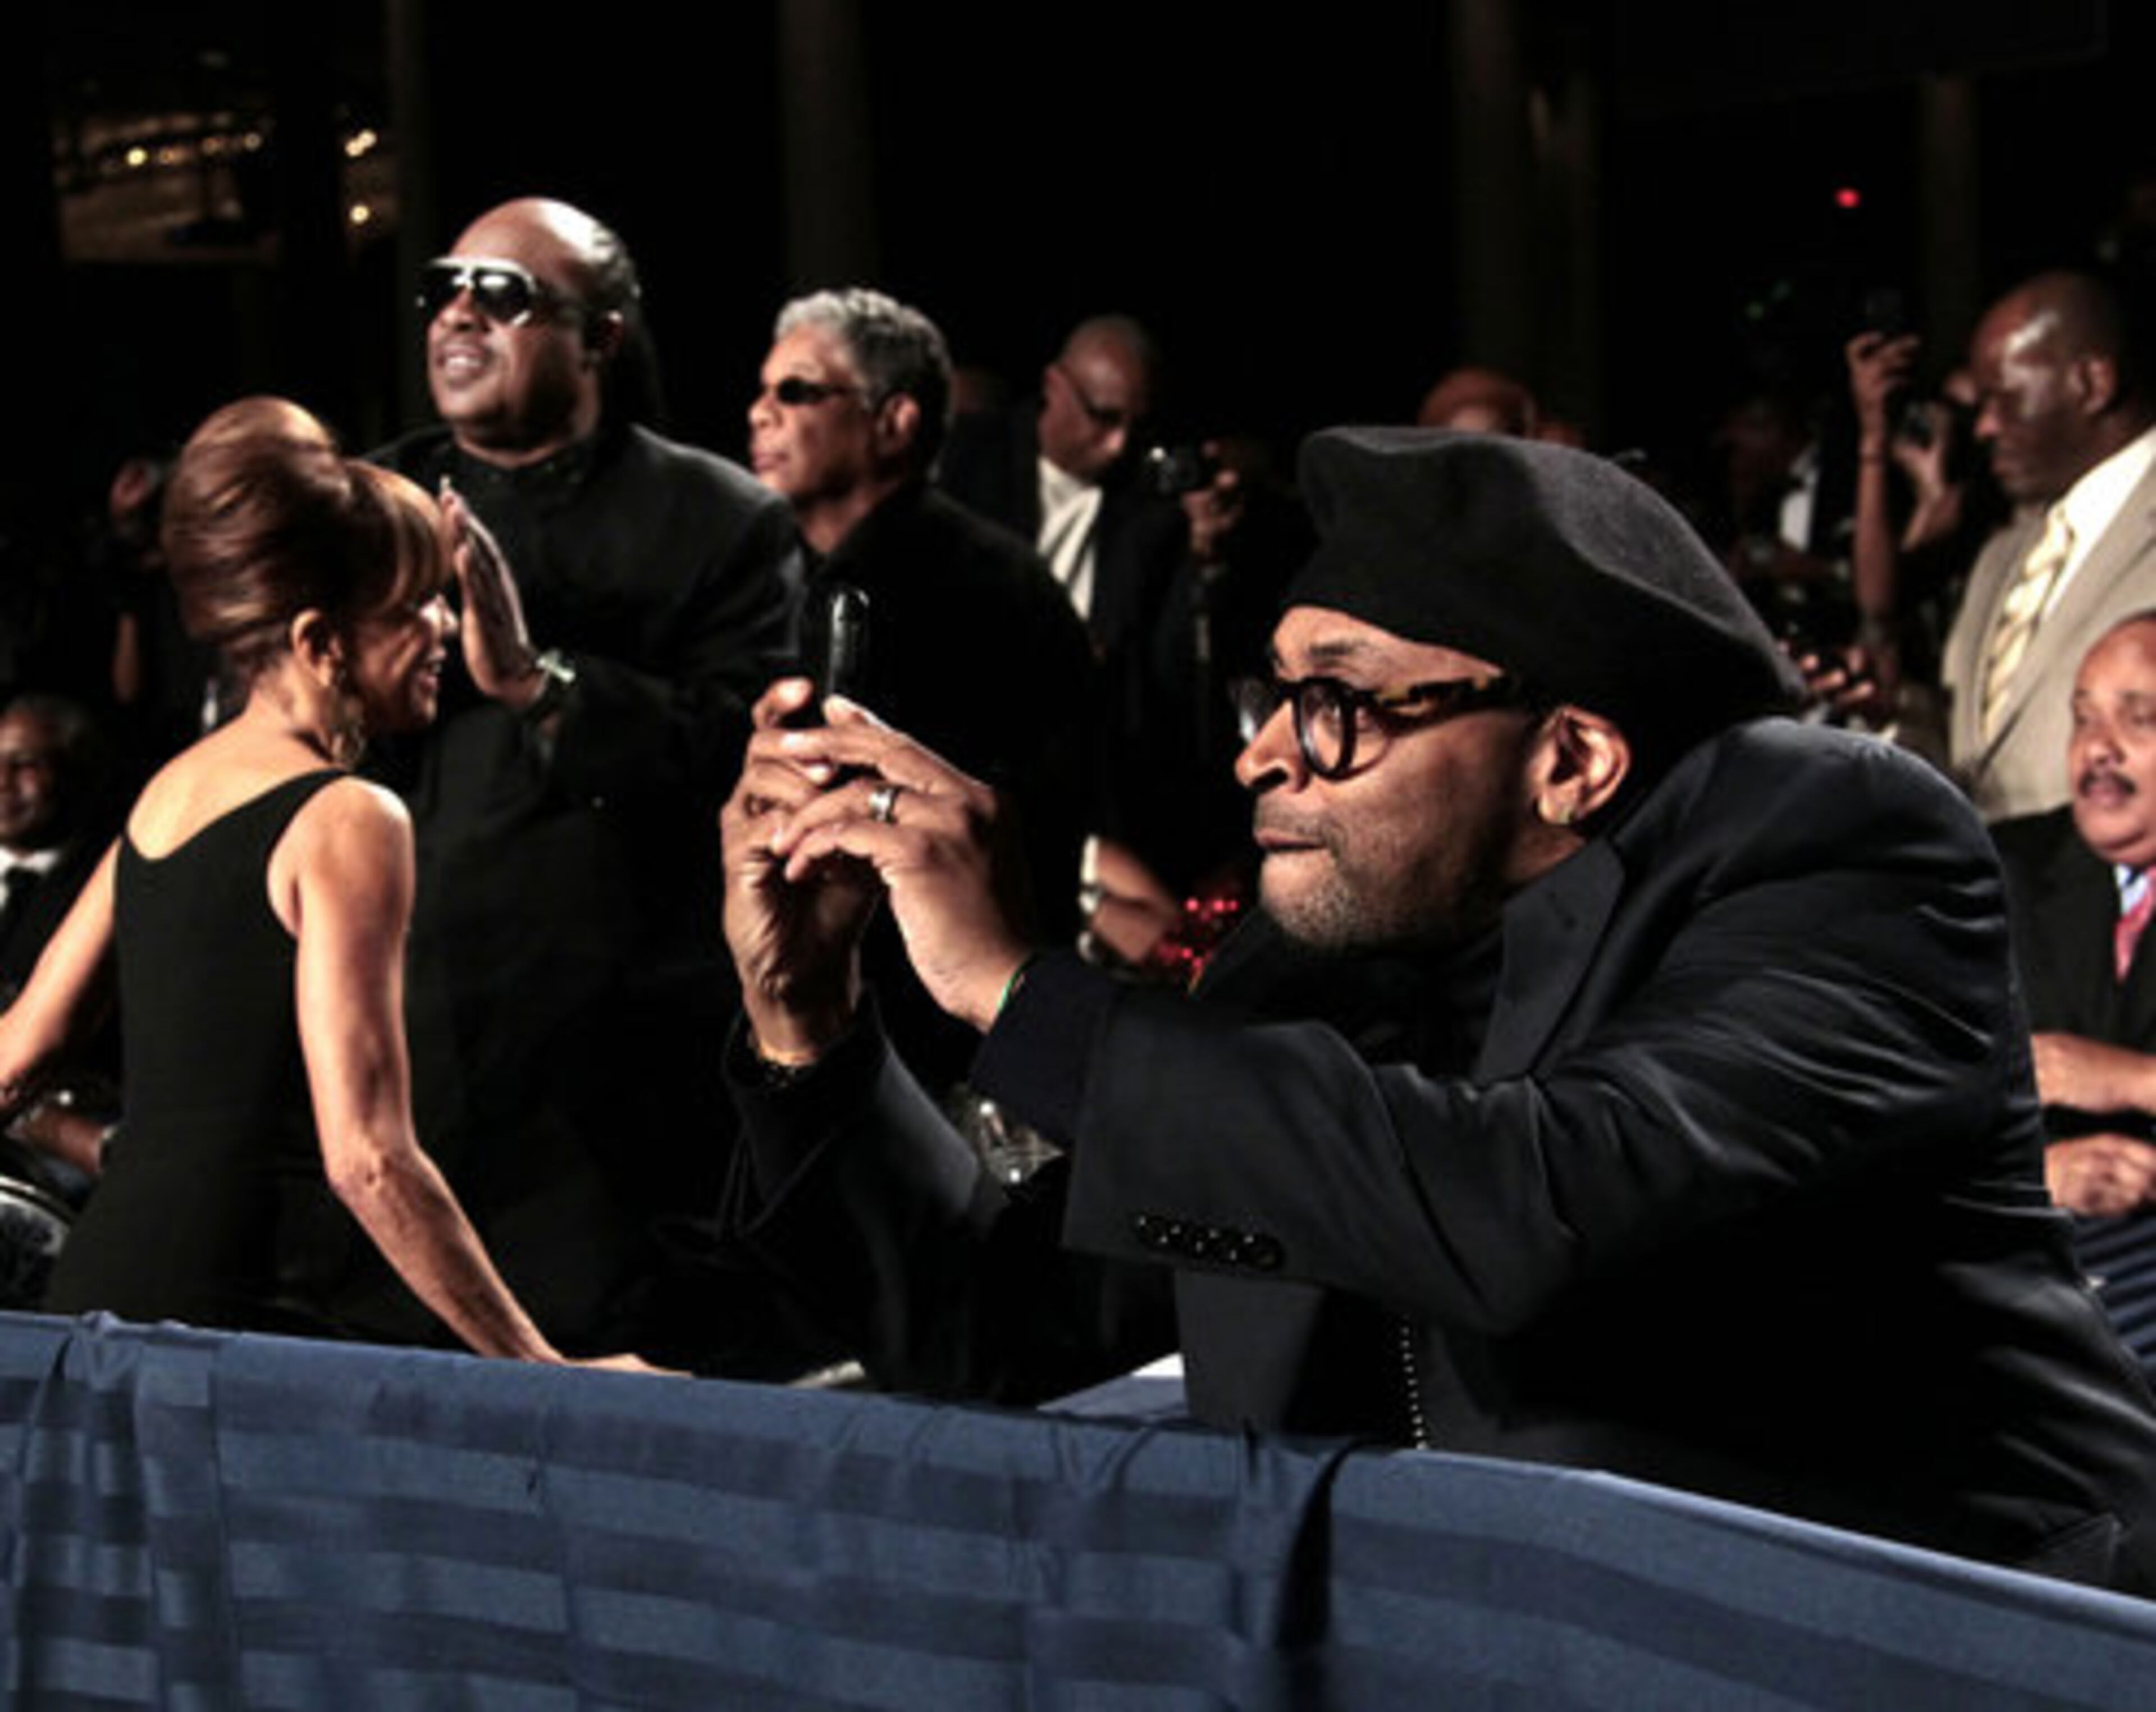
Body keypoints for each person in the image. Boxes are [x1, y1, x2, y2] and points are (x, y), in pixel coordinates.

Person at [716, 426, 2156, 1590]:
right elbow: (1015, 1326)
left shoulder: (1828, 847)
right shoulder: (1324, 952)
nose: (1264, 760)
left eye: (1337, 702)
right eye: (1270, 696)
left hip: (1952, 1642)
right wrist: (814, 1026)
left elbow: (1529, 1201)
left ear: (1570, 758)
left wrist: (1022, 990)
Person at [0, 401, 622, 1364]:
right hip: (234, 1330)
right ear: (322, 641)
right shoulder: (348, 818)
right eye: (419, 603)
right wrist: (542, 1369)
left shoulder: (172, 786)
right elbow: (369, 1157)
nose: (446, 626)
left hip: (98, 1302)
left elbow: (17, 1049)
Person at [372, 198, 798, 1354]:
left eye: (504, 295)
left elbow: (737, 754)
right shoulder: (373, 502)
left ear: (601, 336)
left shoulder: (723, 518)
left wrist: (538, 683)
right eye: (447, 287)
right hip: (394, 1042)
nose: (460, 312)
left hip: (607, 1089)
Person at [746, 288, 1098, 1089]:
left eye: (796, 391)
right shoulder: (824, 577)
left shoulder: (960, 585)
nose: (761, 413)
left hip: (935, 1045)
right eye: (764, 391)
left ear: (894, 421)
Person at [1993, 612, 2156, 1366]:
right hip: (2034, 1269)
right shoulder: (2001, 871)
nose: (2097, 749)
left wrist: (2131, 1081)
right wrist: (2032, 1178)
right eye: (2082, 717)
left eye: (2140, 719)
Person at [1941, 270, 2156, 821]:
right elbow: (1973, 754)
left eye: (2004, 398)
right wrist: (1893, 708)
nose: (1985, 426)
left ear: (2092, 383)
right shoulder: (2002, 556)